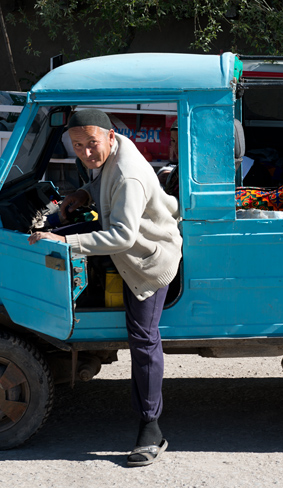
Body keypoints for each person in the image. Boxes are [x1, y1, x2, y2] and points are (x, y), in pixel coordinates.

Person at [28, 109, 182, 464]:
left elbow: (124, 236)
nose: (86, 152)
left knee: (143, 338)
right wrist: (83, 193)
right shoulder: (116, 152)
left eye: (91, 144)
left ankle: (151, 429)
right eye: (78, 146)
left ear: (110, 137)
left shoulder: (129, 174)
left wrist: (66, 242)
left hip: (148, 261)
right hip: (130, 249)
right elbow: (102, 182)